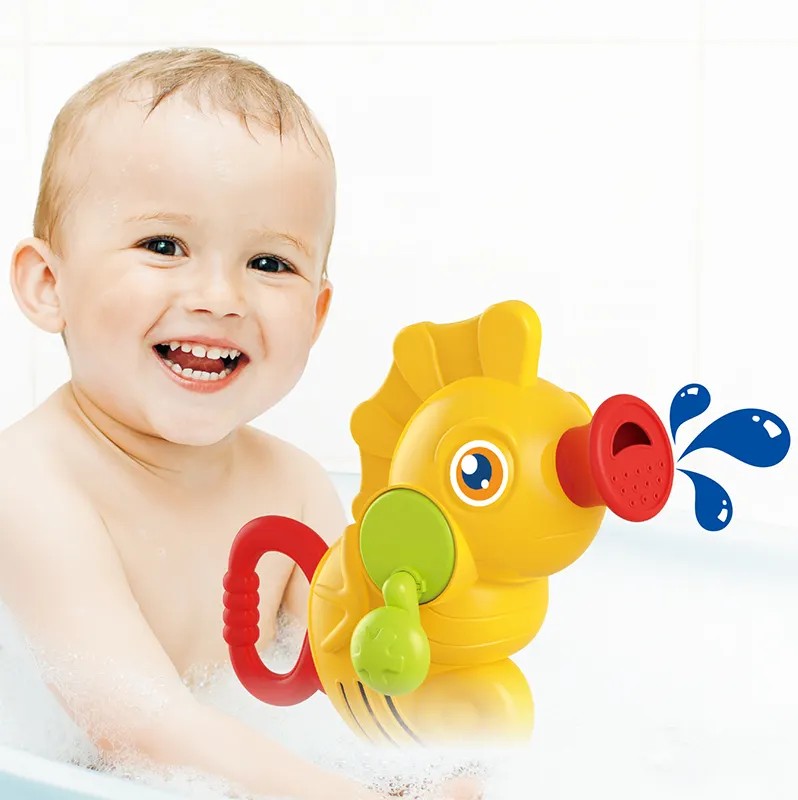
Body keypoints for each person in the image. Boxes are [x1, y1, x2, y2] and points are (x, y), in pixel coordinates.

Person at [0, 47, 477, 800]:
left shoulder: (294, 486)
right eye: (164, 246)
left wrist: (442, 770)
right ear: (48, 284)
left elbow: (362, 686)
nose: (220, 297)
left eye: (270, 263)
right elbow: (138, 725)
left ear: (316, 312)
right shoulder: (29, 483)